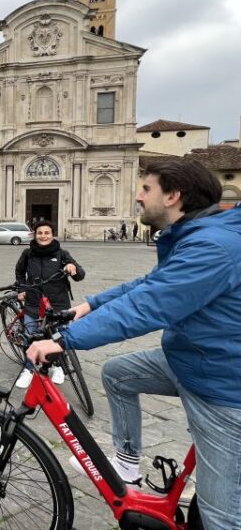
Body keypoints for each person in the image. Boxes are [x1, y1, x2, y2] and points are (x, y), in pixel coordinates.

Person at [27, 159, 241, 530]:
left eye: (146, 188)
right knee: (118, 373)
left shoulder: (212, 247)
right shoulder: (195, 235)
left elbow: (148, 305)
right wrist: (90, 305)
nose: (138, 196)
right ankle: (126, 465)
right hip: (193, 359)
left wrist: (64, 340)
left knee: (222, 517)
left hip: (221, 385)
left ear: (173, 196)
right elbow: (148, 284)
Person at [13, 220, 85, 388]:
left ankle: (59, 367)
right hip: (33, 302)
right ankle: (29, 369)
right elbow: (19, 271)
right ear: (35, 235)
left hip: (58, 304)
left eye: (47, 233)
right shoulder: (27, 253)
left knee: (59, 337)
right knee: (30, 337)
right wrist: (21, 289)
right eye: (40, 233)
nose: (43, 236)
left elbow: (80, 275)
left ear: (52, 235)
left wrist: (72, 267)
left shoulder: (62, 254)